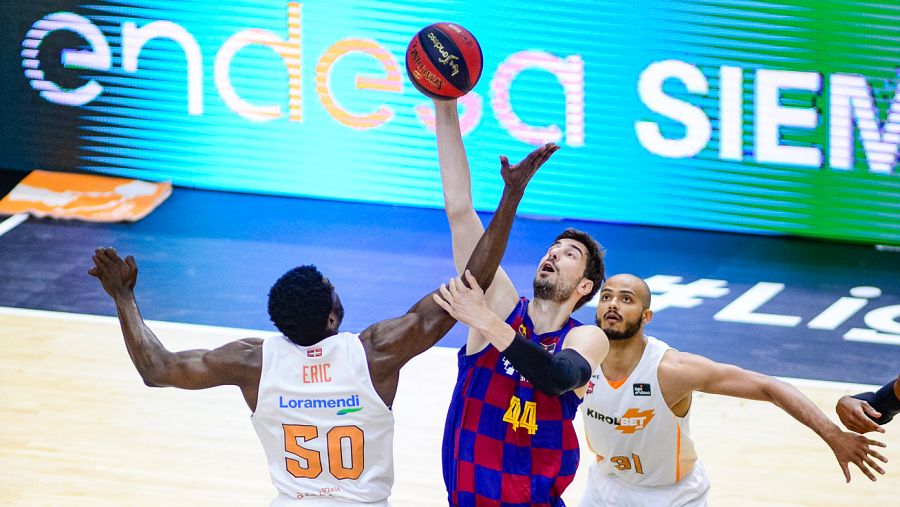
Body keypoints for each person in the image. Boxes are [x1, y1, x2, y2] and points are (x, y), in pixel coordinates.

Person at [87, 144, 554, 507]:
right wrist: (511, 194)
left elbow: (157, 368)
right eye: (333, 288)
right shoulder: (374, 353)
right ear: (332, 316)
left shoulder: (254, 361)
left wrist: (124, 298)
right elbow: (474, 282)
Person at [575, 273, 888, 506]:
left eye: (626, 299)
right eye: (607, 296)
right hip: (605, 487)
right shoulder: (581, 356)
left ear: (646, 317)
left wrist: (832, 435)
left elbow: (769, 386)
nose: (613, 304)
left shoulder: (672, 370)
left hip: (670, 497)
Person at [433, 99, 609, 506]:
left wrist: (483, 320)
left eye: (569, 255)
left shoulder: (586, 339)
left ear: (584, 287)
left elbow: (556, 377)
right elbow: (459, 210)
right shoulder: (500, 305)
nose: (554, 254)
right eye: (553, 247)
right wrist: (444, 104)